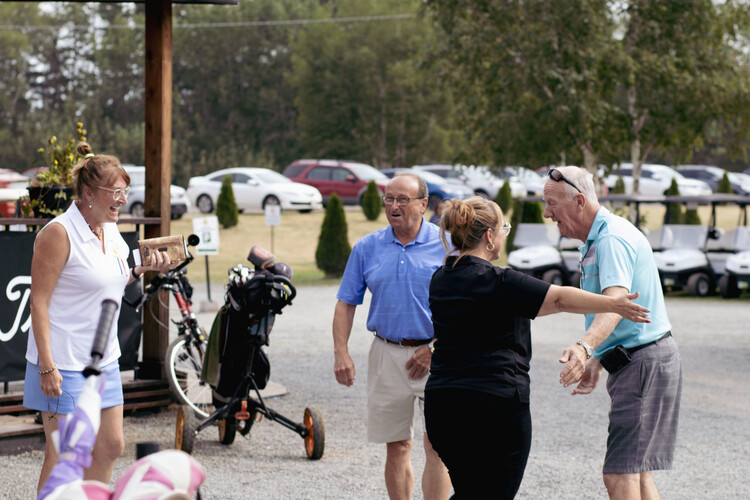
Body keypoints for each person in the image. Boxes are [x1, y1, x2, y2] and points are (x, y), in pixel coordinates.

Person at [424, 196, 651, 499]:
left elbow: (542, 303)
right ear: (490, 236)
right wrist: (613, 303)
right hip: (494, 407)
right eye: (504, 227)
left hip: (443, 406)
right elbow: (558, 298)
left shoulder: (440, 278)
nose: (505, 233)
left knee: (469, 490)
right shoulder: (500, 281)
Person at [24, 142, 172, 494]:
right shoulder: (58, 234)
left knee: (111, 445)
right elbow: (39, 302)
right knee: (64, 456)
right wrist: (47, 365)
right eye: (116, 192)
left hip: (103, 359)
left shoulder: (109, 229)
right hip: (62, 361)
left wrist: (144, 268)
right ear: (89, 193)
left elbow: (116, 279)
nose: (123, 199)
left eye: (125, 191)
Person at [543, 166, 682, 499]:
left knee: (618, 475)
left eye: (552, 204)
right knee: (637, 475)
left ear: (579, 200)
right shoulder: (601, 236)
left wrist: (585, 347)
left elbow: (615, 303)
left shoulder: (611, 239)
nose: (547, 213)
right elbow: (618, 309)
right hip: (642, 362)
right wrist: (600, 360)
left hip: (643, 365)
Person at [333, 173, 452, 500]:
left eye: (403, 199)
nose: (394, 206)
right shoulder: (367, 248)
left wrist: (433, 348)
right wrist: (341, 352)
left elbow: (468, 307)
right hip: (386, 354)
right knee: (398, 446)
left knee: (437, 446)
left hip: (438, 357)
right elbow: (346, 303)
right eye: (389, 199)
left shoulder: (447, 245)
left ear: (424, 204)